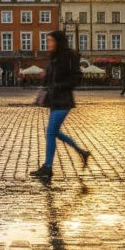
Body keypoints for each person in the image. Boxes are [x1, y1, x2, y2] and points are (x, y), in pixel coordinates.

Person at [29, 30, 91, 179]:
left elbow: (76, 78)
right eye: (48, 41)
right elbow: (51, 78)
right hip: (55, 100)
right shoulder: (54, 57)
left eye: (51, 41)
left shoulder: (68, 56)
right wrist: (45, 78)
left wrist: (58, 85)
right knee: (54, 132)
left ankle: (48, 167)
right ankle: (82, 152)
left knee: (50, 132)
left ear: (58, 42)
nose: (48, 44)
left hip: (63, 100)